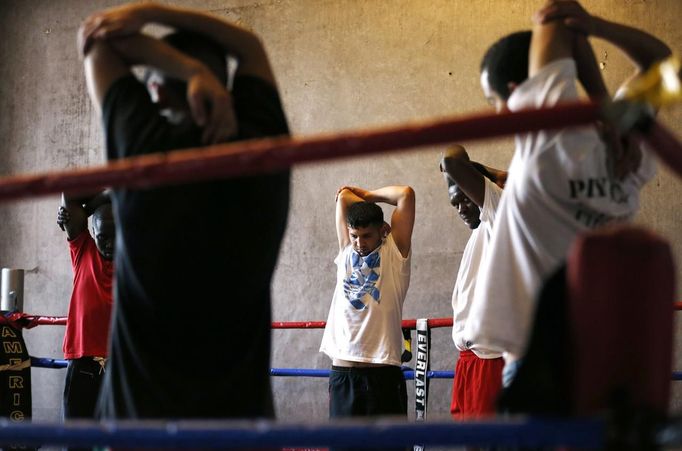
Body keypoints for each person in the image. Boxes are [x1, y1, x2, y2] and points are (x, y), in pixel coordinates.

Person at [78, 3, 290, 419]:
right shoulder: (261, 158)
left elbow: (96, 43)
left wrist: (185, 65)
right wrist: (165, 23)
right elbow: (251, 48)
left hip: (136, 423)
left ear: (154, 91)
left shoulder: (145, 153)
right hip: (237, 426)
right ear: (227, 90)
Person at [464, 0, 671, 386]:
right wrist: (605, 104)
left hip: (538, 370)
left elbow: (553, 15)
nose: (497, 115)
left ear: (518, 94)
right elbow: (660, 60)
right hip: (606, 364)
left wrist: (601, 103)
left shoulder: (544, 132)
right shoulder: (623, 143)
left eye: (495, 102)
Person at [320, 185, 415, 421]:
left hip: (382, 373)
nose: (359, 243)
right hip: (344, 372)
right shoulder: (345, 252)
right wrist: (359, 200)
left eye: (366, 236)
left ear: (383, 230)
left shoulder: (395, 251)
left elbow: (405, 194)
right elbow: (342, 197)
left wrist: (368, 196)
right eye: (354, 236)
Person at [439, 145, 507, 420]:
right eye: (455, 203)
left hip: (491, 361)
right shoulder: (479, 233)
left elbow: (451, 158)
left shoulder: (499, 215)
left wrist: (491, 174)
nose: (460, 208)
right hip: (467, 362)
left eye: (465, 198)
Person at [56, 191, 114, 433]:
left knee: (122, 442)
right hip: (82, 364)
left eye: (116, 236)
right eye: (104, 238)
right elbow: (69, 193)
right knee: (75, 440)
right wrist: (92, 207)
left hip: (120, 366)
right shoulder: (83, 250)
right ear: (93, 233)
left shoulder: (136, 258)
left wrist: (106, 199)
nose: (110, 244)